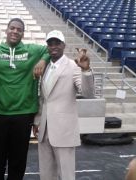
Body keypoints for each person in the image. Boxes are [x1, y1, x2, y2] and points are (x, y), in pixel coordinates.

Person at [0, 18, 50, 180]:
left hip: (24, 113)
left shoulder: (32, 50)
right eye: (12, 28)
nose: (15, 31)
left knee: (18, 160)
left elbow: (51, 49)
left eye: (19, 29)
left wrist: (43, 60)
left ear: (23, 33)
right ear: (6, 30)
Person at [33, 30, 95, 180]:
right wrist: (37, 121)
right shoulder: (45, 66)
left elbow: (87, 93)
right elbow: (44, 99)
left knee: (66, 175)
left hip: (64, 131)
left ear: (64, 45)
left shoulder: (73, 66)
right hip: (44, 130)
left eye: (57, 43)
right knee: (47, 175)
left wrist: (85, 70)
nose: (53, 46)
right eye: (50, 43)